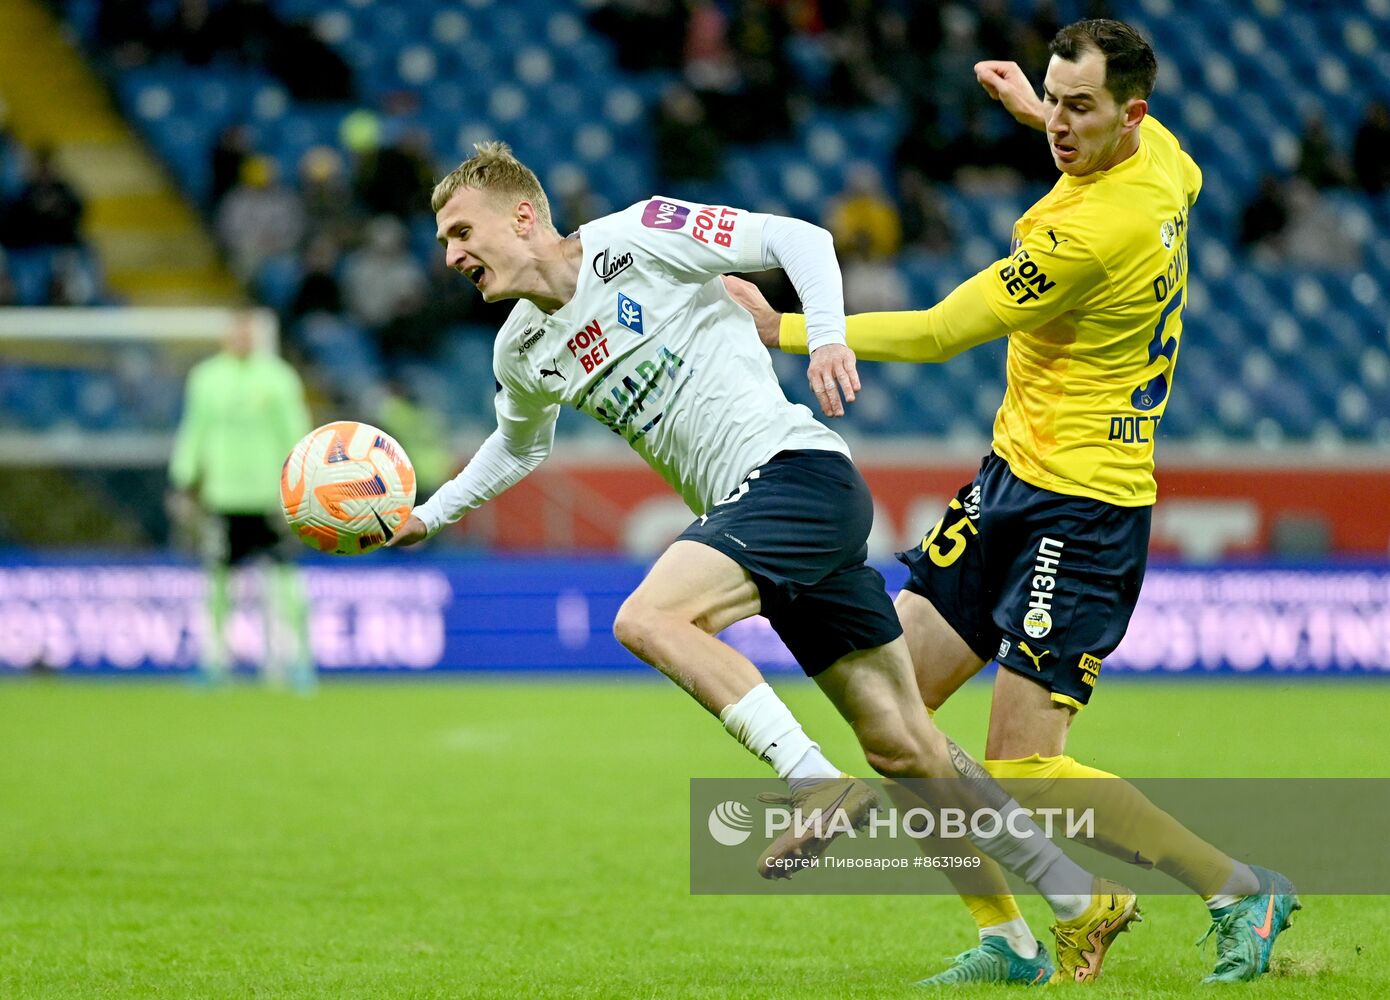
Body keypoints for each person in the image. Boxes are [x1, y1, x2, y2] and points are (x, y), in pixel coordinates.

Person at [390, 141, 1138, 985]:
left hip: (795, 475)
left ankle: (811, 781)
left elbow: (801, 239)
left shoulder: (637, 238)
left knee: (650, 617)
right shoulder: (520, 350)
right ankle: (1057, 913)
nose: (451, 255)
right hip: (757, 512)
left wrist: (824, 340)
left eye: (461, 231)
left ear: (522, 216)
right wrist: (427, 515)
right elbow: (516, 447)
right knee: (904, 747)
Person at [724, 18, 1299, 987]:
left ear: (1132, 114)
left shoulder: (1091, 232)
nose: (1060, 125)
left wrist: (784, 326)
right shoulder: (1164, 162)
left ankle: (1238, 886)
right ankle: (1012, 938)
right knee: (888, 713)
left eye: (1081, 109)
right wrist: (1040, 112)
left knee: (1025, 763)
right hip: (1008, 482)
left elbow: (947, 328)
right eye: (1055, 101)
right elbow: (1143, 164)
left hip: (1082, 510)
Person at [168, 311, 314, 690]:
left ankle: (300, 662)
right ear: (226, 335)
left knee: (285, 579)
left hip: (270, 498)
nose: (242, 336)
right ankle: (214, 662)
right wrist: (184, 480)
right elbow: (194, 429)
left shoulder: (278, 377)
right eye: (237, 330)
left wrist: (301, 485)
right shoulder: (206, 378)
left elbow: (295, 431)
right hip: (223, 496)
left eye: (248, 330)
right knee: (217, 581)